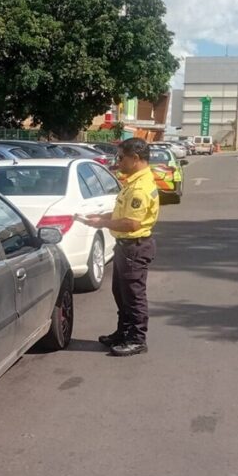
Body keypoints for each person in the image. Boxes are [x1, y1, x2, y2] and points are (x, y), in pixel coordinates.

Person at [77, 138, 160, 357]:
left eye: (121, 157)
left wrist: (102, 223)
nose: (118, 161)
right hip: (126, 247)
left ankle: (136, 339)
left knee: (133, 295)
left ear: (135, 158)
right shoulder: (133, 182)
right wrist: (99, 217)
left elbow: (131, 223)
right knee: (121, 293)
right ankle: (123, 332)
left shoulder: (140, 188)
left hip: (135, 246)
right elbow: (121, 215)